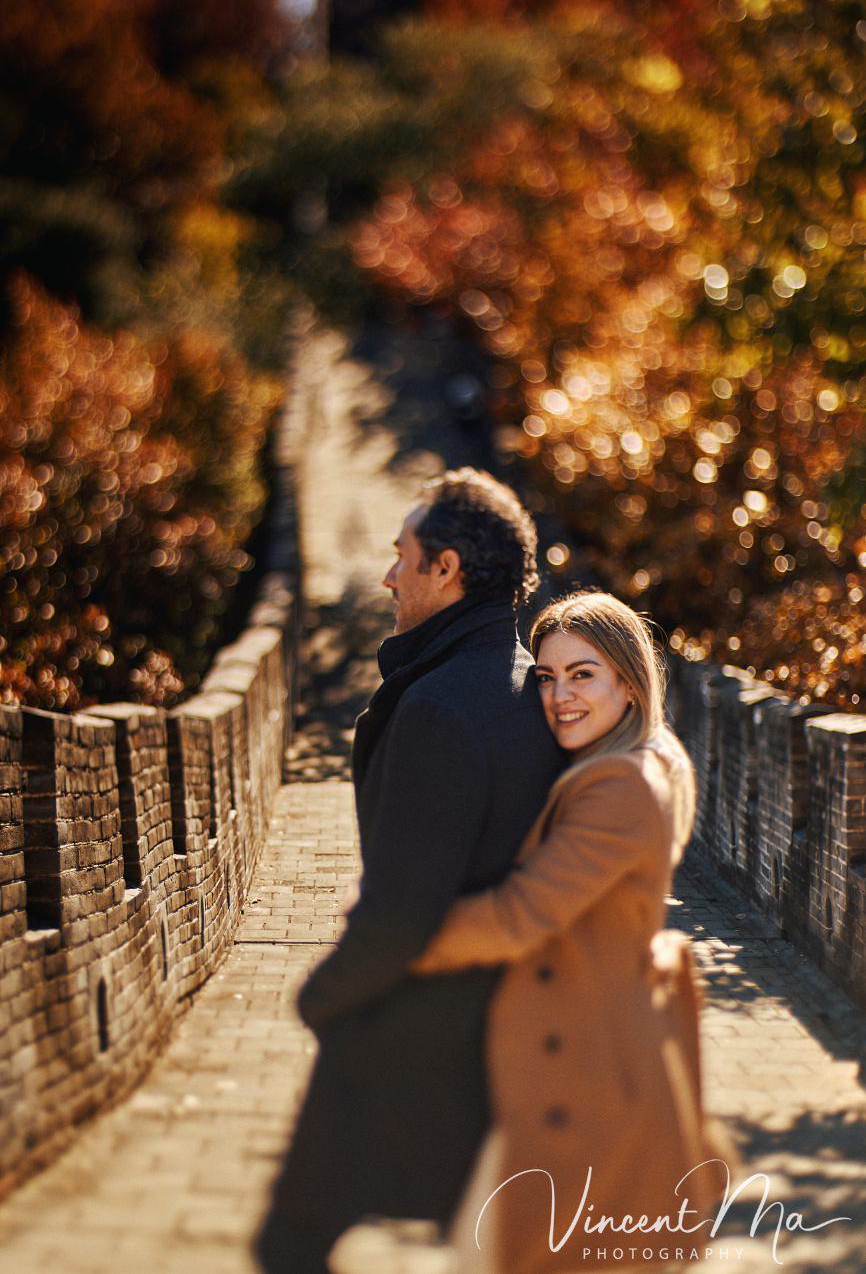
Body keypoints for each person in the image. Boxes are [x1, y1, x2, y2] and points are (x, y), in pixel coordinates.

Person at [256, 469, 566, 1273]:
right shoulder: (533, 691)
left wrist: (323, 998)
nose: (390, 576)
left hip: (408, 1036)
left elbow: (401, 909)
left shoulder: (436, 708)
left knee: (292, 1243)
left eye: (403, 557)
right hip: (506, 1038)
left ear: (447, 567)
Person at [411, 591, 733, 1274]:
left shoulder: (620, 786)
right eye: (548, 677)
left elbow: (519, 916)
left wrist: (399, 931)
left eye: (582, 674)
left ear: (629, 679)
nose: (560, 696)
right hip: (586, 1062)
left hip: (586, 1087)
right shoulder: (636, 759)